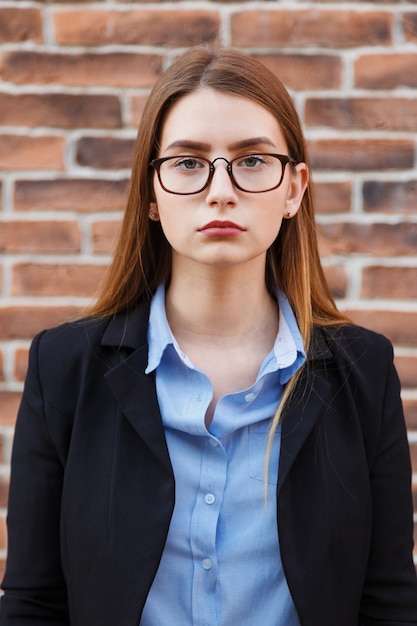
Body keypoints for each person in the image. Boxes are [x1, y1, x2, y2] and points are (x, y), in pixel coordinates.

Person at [1, 46, 416, 626]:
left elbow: (389, 600)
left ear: (294, 189)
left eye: (251, 161)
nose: (221, 190)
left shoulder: (363, 371)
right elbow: (32, 602)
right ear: (150, 192)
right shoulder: (65, 369)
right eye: (189, 162)